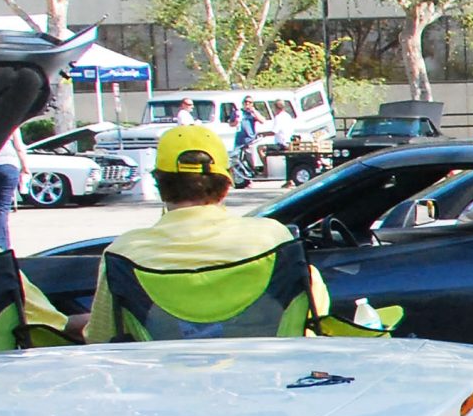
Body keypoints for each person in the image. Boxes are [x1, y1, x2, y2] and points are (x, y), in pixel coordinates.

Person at [86, 125, 327, 343]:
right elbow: (316, 316)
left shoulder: (124, 253)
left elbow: (101, 339)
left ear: (160, 185)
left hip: (169, 387)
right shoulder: (275, 240)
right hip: (271, 382)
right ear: (225, 186)